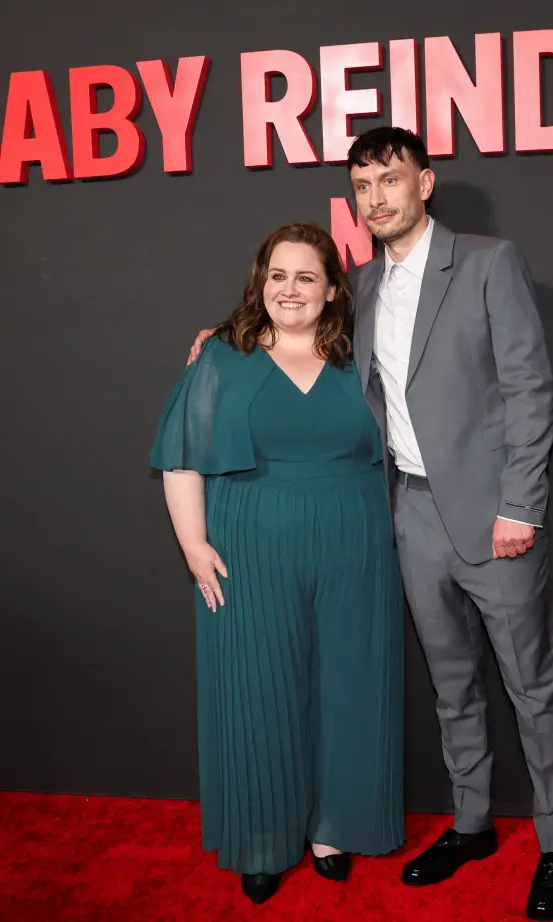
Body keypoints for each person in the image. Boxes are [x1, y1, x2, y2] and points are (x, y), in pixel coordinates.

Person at [188, 126, 553, 920]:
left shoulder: (488, 263)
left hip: (493, 516)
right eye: (363, 186)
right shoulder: (357, 286)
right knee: (452, 684)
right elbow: (299, 346)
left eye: (391, 180)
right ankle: (472, 825)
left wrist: (520, 506)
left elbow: (532, 391)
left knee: (531, 687)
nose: (378, 197)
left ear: (424, 183)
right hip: (404, 512)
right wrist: (222, 343)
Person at [151, 222, 405, 905]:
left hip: (354, 547)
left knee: (348, 685)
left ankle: (334, 827)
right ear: (260, 284)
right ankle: (263, 835)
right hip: (247, 548)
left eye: (306, 277)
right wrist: (193, 544)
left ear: (331, 290)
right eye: (278, 276)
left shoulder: (365, 359)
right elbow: (181, 455)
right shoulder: (221, 359)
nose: (290, 290)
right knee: (258, 688)